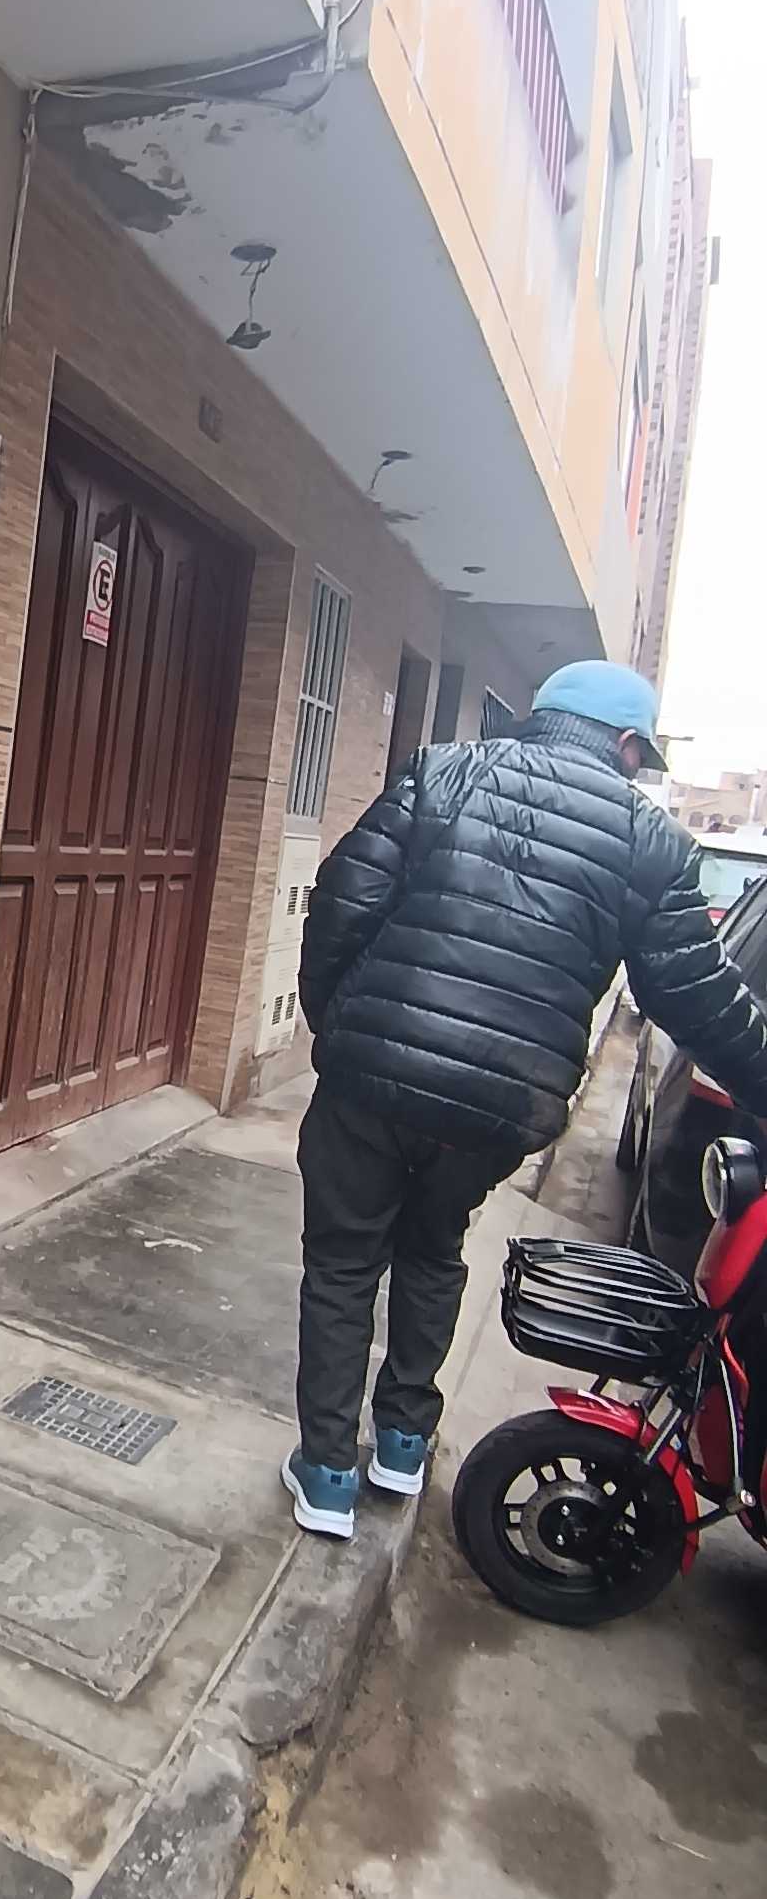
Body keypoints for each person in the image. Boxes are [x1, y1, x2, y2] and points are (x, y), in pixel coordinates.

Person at [284, 658, 767, 1539]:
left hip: (369, 1086)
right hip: (499, 1110)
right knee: (433, 1252)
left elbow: (341, 905)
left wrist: (341, 1029)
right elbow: (699, 998)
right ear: (626, 744)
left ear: (545, 716)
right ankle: (401, 1445)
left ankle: (325, 1475)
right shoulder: (651, 843)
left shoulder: (441, 772)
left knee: (343, 1266)